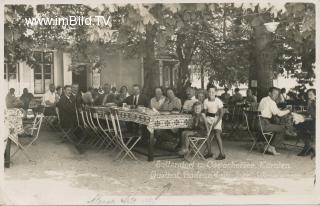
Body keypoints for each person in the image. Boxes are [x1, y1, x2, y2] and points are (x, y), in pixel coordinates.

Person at [258, 87, 291, 155]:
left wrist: (277, 109)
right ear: (269, 93)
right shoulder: (271, 102)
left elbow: (269, 110)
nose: (276, 96)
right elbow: (279, 114)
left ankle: (266, 145)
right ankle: (272, 147)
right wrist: (288, 110)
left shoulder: (263, 99)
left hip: (257, 123)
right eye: (274, 93)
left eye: (277, 94)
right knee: (283, 128)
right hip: (264, 124)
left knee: (276, 126)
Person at [203, 85, 225, 160]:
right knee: (207, 134)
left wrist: (216, 123)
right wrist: (208, 123)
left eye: (213, 92)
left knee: (217, 134)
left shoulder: (218, 101)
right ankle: (209, 153)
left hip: (217, 120)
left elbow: (221, 113)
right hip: (209, 120)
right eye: (209, 92)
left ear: (215, 92)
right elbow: (206, 113)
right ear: (207, 92)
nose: (211, 93)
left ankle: (222, 154)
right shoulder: (205, 101)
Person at [294, 89, 316, 157]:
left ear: (316, 95)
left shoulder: (314, 103)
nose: (309, 96)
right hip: (313, 121)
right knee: (299, 125)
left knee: (299, 125)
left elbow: (315, 115)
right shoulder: (310, 102)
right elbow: (310, 113)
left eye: (311, 94)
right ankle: (308, 146)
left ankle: (307, 146)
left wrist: (306, 118)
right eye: (308, 95)